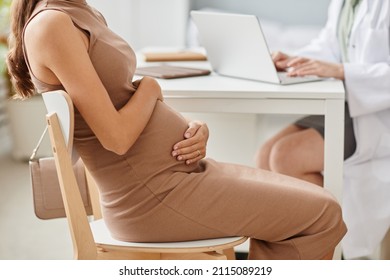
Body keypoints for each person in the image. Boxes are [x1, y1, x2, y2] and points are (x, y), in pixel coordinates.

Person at [7, 0, 346, 260]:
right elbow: (117, 138)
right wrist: (152, 87)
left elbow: (120, 96)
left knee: (310, 206)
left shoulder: (79, 11)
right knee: (323, 214)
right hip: (152, 196)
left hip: (176, 176)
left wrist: (190, 128)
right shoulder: (52, 25)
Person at [256, 0, 390, 259]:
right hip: (352, 104)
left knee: (287, 156)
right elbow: (329, 46)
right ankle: (280, 259)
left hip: (380, 114)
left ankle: (322, 255)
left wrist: (342, 71)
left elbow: (343, 63)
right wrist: (293, 60)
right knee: (265, 155)